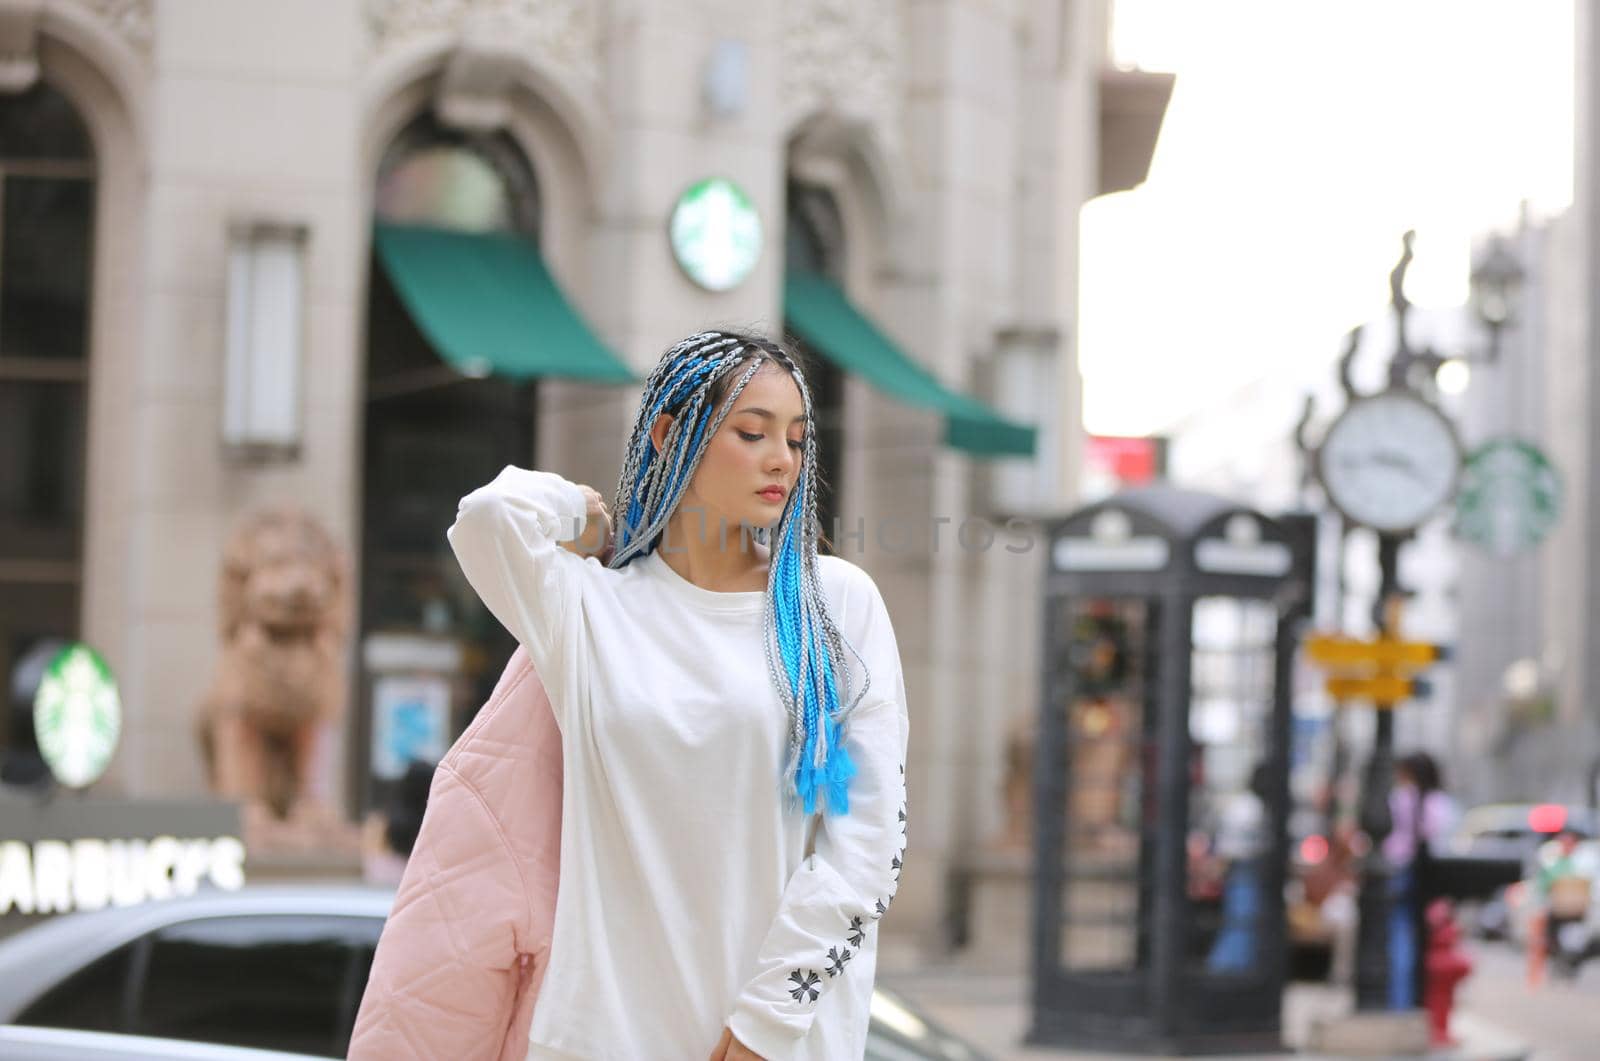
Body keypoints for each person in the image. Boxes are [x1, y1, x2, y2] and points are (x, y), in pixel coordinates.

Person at [372, 330, 911, 1061]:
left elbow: (867, 846)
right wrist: (589, 515)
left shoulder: (835, 607)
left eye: (794, 437)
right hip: (598, 1037)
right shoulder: (591, 607)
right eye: (751, 433)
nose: (781, 457)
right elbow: (490, 517)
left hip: (779, 1042)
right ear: (666, 434)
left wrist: (768, 1021)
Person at [1384, 751, 1456, 1010]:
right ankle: (1417, 1001)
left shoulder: (1400, 798)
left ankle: (1399, 1001)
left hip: (1400, 870)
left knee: (1400, 937)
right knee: (1427, 941)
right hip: (1430, 876)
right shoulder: (1440, 803)